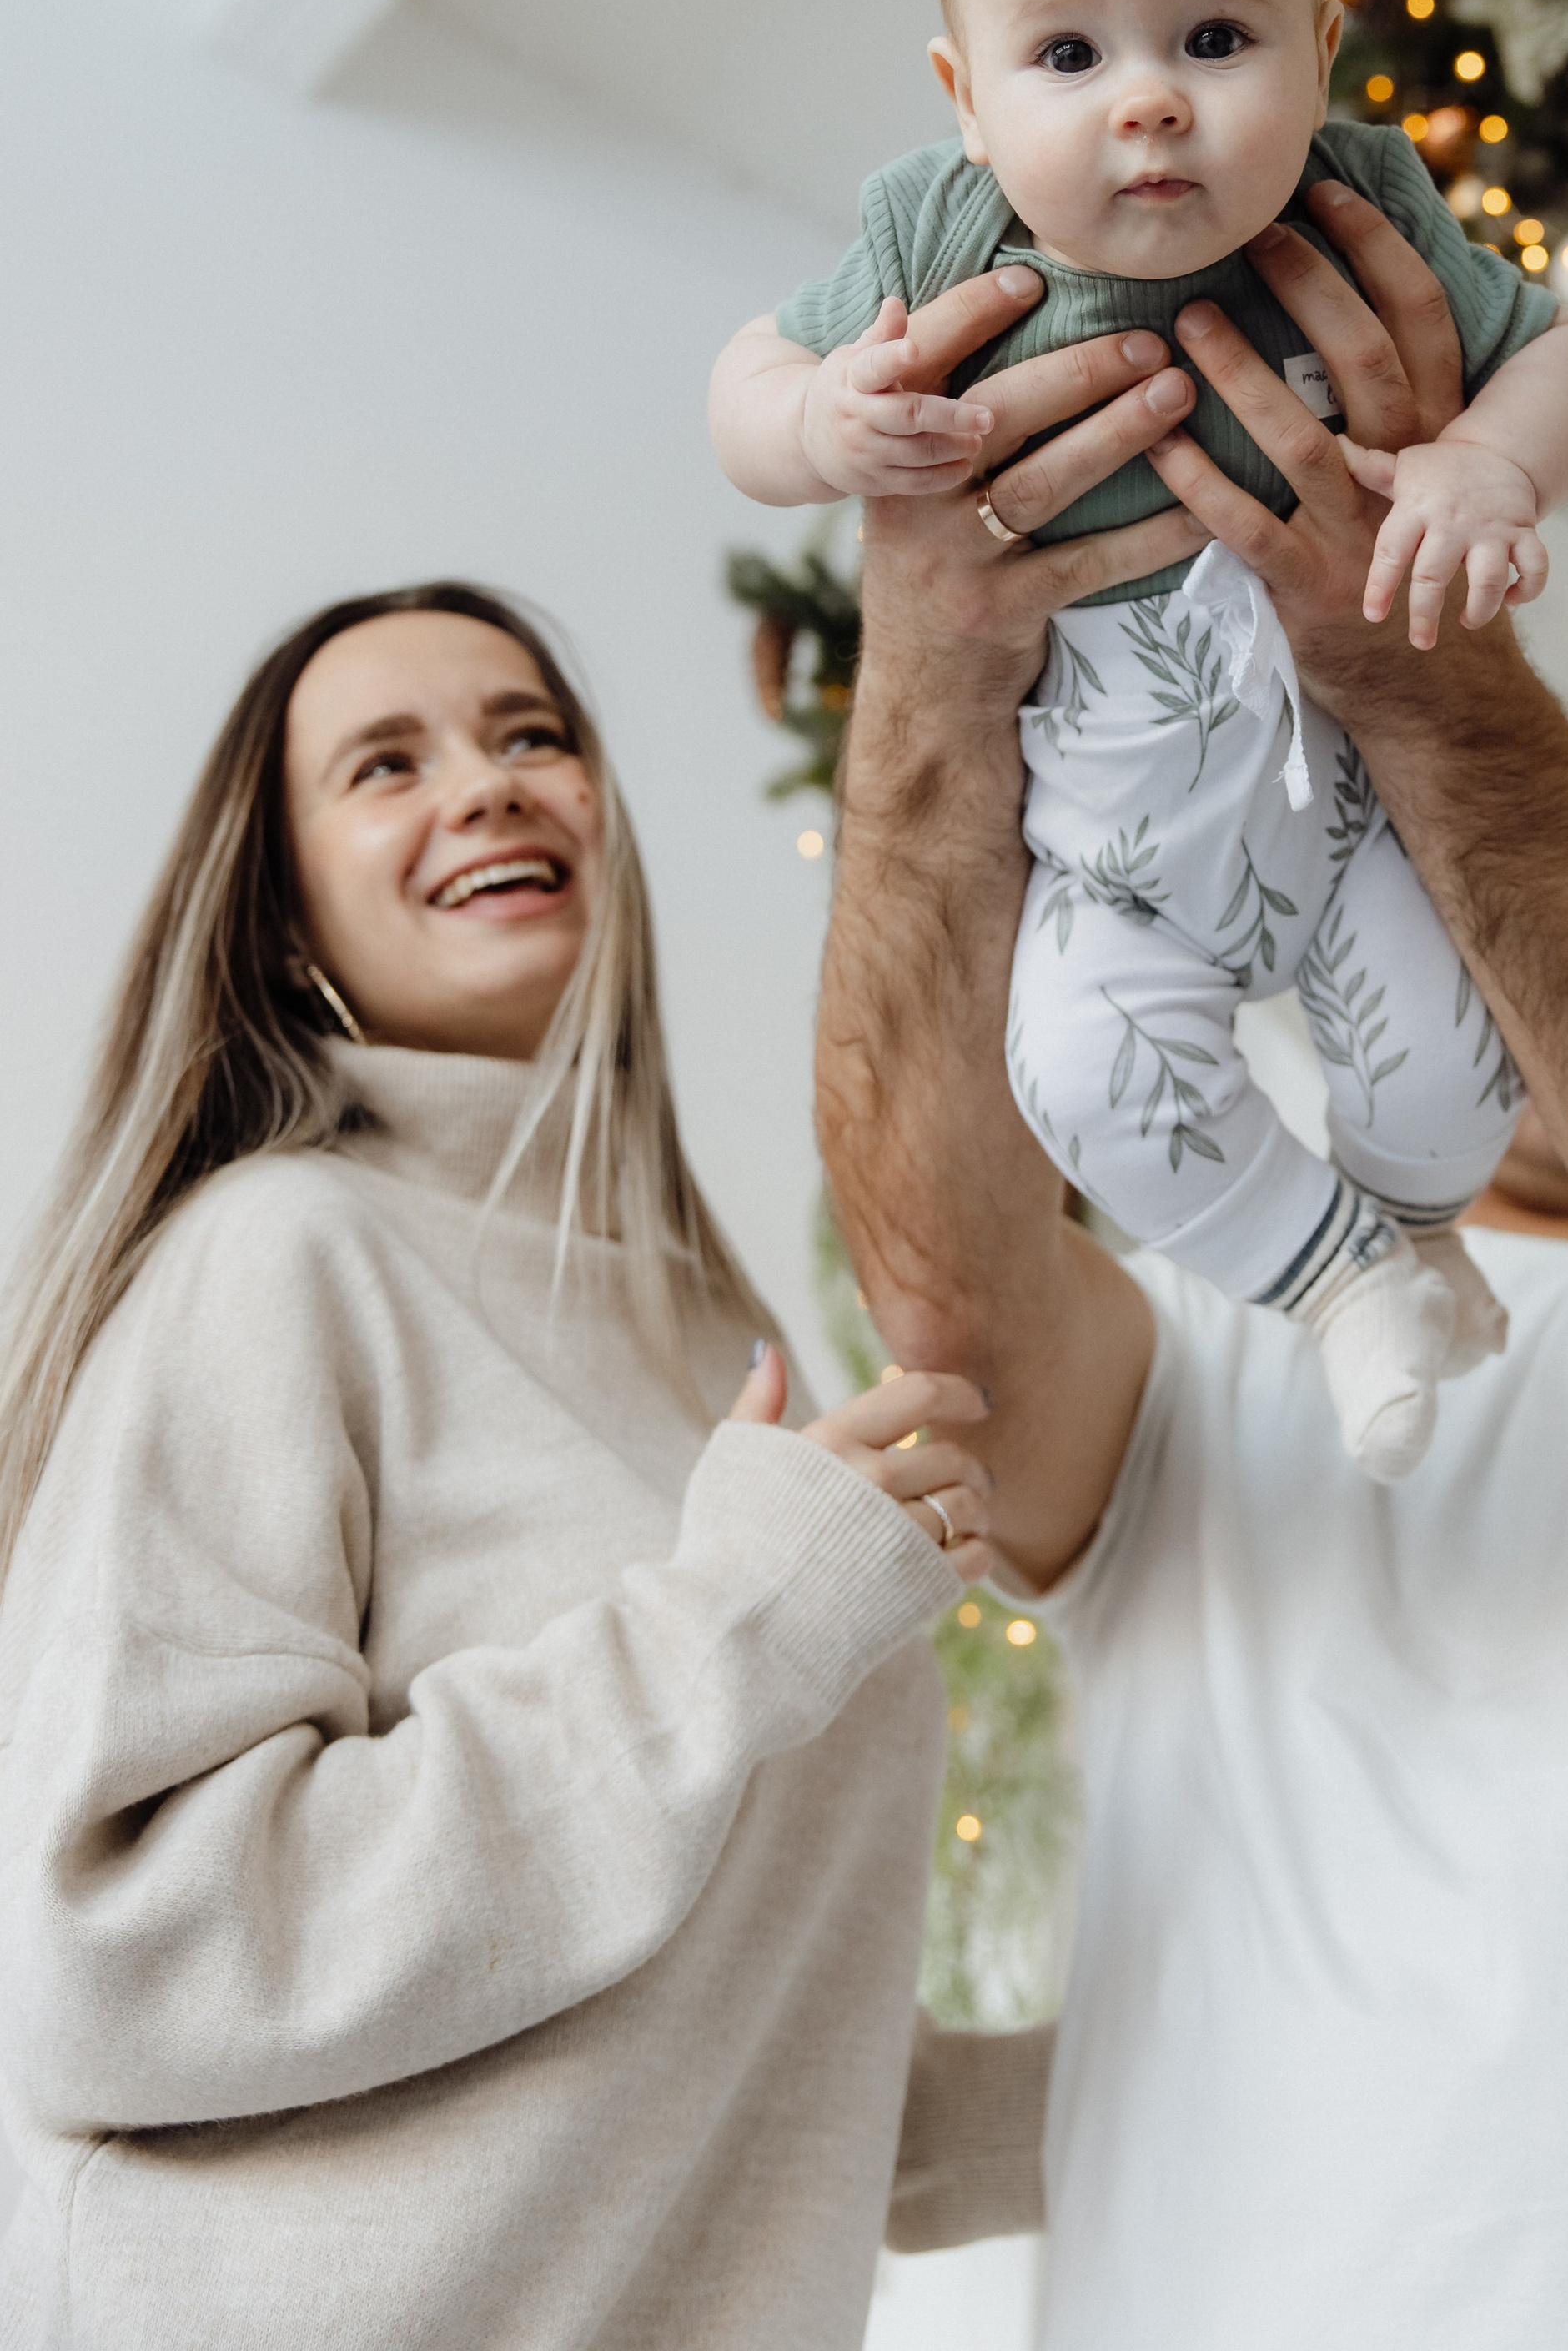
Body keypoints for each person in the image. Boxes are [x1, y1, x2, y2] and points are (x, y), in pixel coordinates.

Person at [813, 206, 1568, 2348]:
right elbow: (954, 1325)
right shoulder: (1209, 1345)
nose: (1538, 918)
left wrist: (1443, 700)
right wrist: (932, 666)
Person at [0, 575, 1115, 2351]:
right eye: (387, 764)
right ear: (285, 917)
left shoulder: (703, 1331)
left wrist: (1191, 2077)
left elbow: (745, 2045)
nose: (491, 783)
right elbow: (122, 1962)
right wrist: (725, 1627)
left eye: (534, 736)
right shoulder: (281, 1256)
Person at [711, 0, 1568, 1479]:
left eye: (1215, 39)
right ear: (965, 96)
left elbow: (1561, 358)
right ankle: (1343, 1279)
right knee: (1085, 1078)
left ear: (1321, 48)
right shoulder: (934, 234)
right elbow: (744, 381)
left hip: (1348, 813)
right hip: (1107, 868)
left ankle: (1420, 1227)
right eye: (1066, 53)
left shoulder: (1367, 212)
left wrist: (1489, 470)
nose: (1148, 100)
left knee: (1446, 1057)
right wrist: (817, 423)